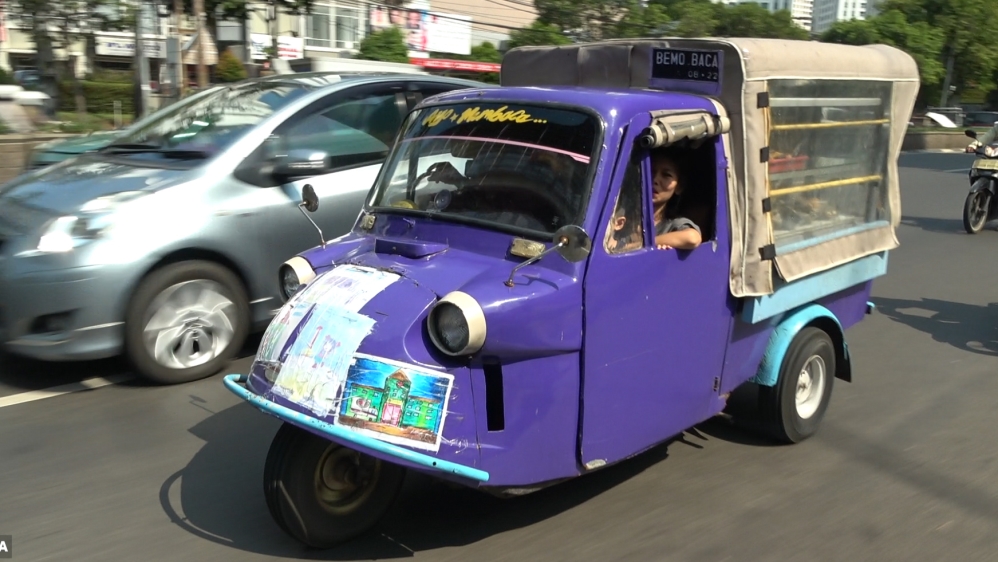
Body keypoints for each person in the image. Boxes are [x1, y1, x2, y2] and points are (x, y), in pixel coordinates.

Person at [651, 149, 702, 250]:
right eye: (652, 171)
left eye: (666, 175)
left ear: (679, 187)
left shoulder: (673, 224)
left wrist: (642, 244)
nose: (655, 180)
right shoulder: (626, 218)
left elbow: (692, 238)